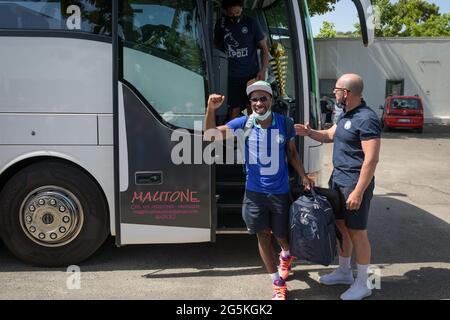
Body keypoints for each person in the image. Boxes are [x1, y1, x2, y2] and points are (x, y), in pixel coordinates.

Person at [204, 81, 314, 300]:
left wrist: (303, 176)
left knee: (282, 235)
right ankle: (277, 283)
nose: (259, 103)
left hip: (280, 191)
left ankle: (285, 255)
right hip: (254, 193)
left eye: (263, 98)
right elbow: (210, 135)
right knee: (263, 235)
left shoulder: (285, 123)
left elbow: (292, 153)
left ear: (271, 100)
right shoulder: (244, 123)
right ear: (250, 103)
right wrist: (210, 110)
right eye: (254, 99)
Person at [295, 74, 381, 300]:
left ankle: (364, 284)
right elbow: (330, 135)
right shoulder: (345, 115)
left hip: (354, 183)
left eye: (336, 89)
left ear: (347, 93)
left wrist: (359, 191)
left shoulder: (367, 118)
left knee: (358, 232)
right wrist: (309, 132)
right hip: (338, 181)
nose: (333, 93)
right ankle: (344, 272)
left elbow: (371, 159)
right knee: (342, 227)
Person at [214, 0, 270, 120]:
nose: (234, 16)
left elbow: (265, 50)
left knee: (253, 106)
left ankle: (254, 135)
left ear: (242, 9)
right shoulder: (221, 24)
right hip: (230, 76)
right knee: (234, 108)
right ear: (226, 12)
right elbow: (215, 48)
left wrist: (263, 70)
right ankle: (232, 136)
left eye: (237, 12)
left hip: (250, 75)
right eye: (231, 14)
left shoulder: (251, 23)